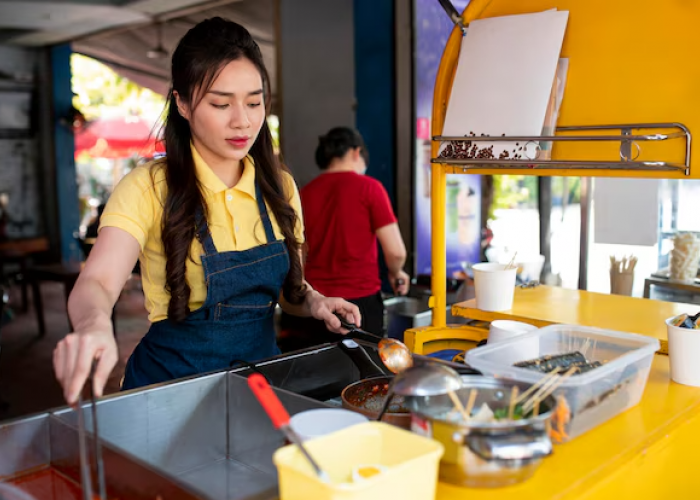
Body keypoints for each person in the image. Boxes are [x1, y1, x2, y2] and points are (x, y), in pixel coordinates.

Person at [53, 18, 361, 404]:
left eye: (254, 101)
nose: (243, 121)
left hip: (259, 388)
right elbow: (96, 282)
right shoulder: (148, 187)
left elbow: (287, 294)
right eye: (220, 103)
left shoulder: (279, 187)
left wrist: (314, 301)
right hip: (168, 392)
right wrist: (93, 325)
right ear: (181, 103)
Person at [280, 128, 409, 348]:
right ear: (356, 153)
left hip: (311, 307)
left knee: (312, 378)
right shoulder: (370, 188)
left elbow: (296, 257)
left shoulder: (303, 194)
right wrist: (397, 272)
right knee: (363, 377)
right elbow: (396, 252)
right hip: (358, 306)